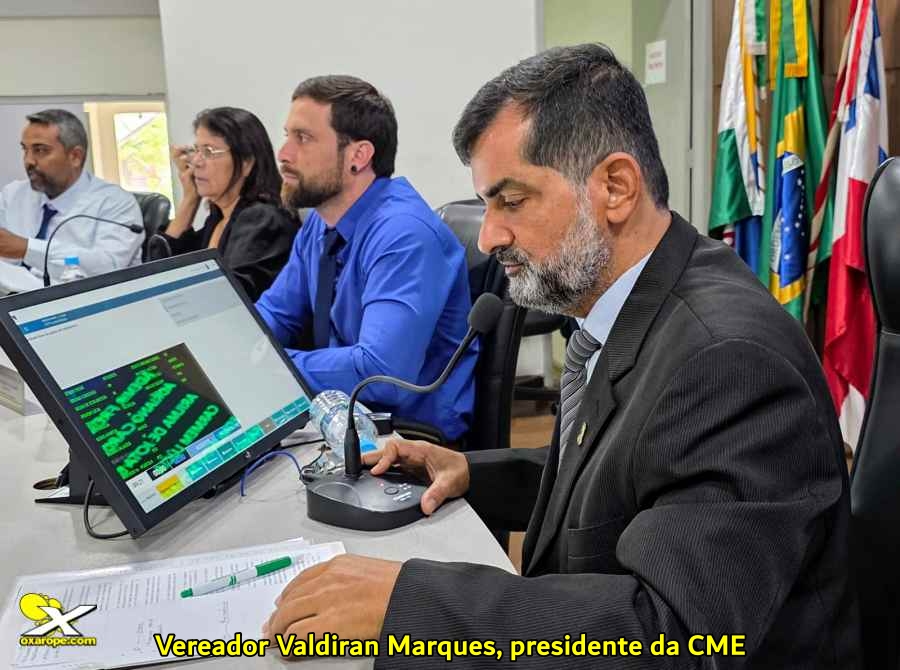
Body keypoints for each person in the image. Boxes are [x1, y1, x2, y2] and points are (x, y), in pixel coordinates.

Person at [263, 45, 861, 667]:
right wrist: (471, 472)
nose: (488, 236)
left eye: (511, 201)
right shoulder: (626, 306)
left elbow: (676, 638)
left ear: (616, 188)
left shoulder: (727, 361)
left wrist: (410, 603)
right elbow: (626, 477)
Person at [254, 76, 476, 442]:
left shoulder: (403, 233)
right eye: (287, 135)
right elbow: (276, 315)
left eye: (303, 138)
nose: (284, 154)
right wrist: (235, 350)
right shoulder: (321, 222)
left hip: (409, 438)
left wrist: (270, 365)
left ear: (358, 156)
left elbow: (382, 374)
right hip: (345, 414)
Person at [150, 107, 298, 301]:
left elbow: (228, 297)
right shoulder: (219, 217)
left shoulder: (262, 218)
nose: (196, 162)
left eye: (209, 151)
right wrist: (190, 199)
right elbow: (159, 275)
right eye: (196, 150)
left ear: (246, 163)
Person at [0, 109, 143, 288]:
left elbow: (109, 266)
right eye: (25, 149)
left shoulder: (115, 203)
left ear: (75, 156)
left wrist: (27, 249)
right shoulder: (14, 194)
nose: (28, 161)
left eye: (40, 150)